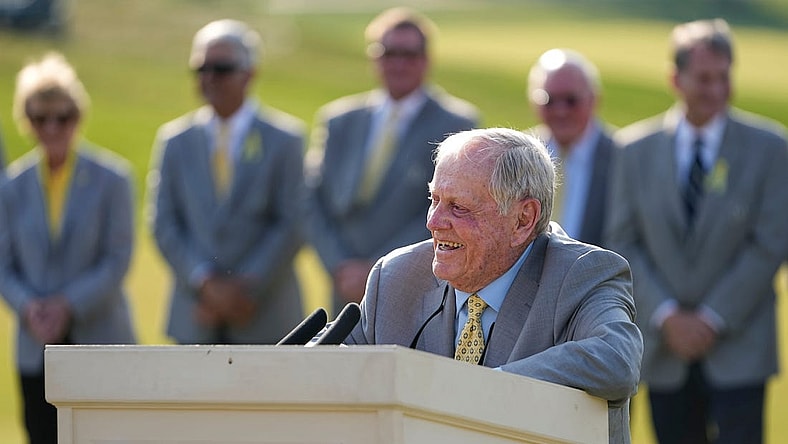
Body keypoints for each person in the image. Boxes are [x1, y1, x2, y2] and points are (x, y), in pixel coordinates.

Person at [346, 127, 643, 444]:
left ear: (522, 220)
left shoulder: (583, 275)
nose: (433, 222)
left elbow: (616, 358)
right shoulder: (396, 276)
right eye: (434, 200)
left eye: (458, 207)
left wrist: (485, 389)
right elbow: (334, 362)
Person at [607, 18, 788, 444]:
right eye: (704, 78)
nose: (717, 89)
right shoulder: (634, 150)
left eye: (724, 77)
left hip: (740, 347)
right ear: (676, 78)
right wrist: (668, 315)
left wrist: (710, 319)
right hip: (663, 348)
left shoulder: (771, 148)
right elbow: (622, 240)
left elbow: (770, 243)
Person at [306, 7, 479, 316]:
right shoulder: (339, 120)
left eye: (409, 54)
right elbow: (311, 201)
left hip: (414, 285)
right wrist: (340, 265)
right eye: (388, 52)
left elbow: (454, 209)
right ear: (374, 57)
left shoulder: (455, 123)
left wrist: (380, 267)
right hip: (342, 285)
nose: (398, 63)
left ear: (426, 59)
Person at [0, 52, 136, 444]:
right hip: (35, 344)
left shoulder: (113, 179)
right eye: (41, 118)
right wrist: (30, 307)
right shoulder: (12, 187)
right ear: (27, 120)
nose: (52, 127)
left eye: (62, 116)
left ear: (77, 116)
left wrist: (66, 305)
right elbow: (4, 265)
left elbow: (117, 259)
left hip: (101, 339)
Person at [148, 19, 306, 344]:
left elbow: (293, 222)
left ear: (249, 74)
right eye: (201, 68)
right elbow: (163, 222)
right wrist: (204, 283)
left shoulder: (285, 140)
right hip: (195, 315)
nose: (209, 78)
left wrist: (245, 287)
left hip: (265, 314)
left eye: (221, 68)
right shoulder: (174, 141)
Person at [527, 48, 615, 246]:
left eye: (571, 100)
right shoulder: (519, 155)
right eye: (549, 100)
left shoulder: (622, 156)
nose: (560, 111)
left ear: (593, 99)